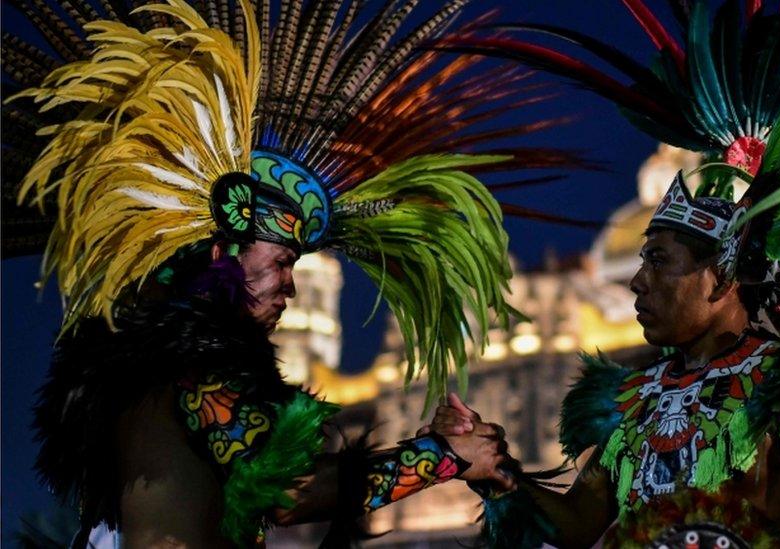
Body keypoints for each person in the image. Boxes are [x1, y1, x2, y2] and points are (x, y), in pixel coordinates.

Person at [4, 0, 556, 545]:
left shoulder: (153, 356)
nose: (290, 286)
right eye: (283, 262)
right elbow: (286, 494)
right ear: (222, 253)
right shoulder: (192, 361)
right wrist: (441, 458)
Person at [428, 0, 780, 545]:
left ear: (723, 276)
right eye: (642, 261)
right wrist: (492, 474)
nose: (639, 281)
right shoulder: (632, 399)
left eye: (661, 261)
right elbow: (574, 526)